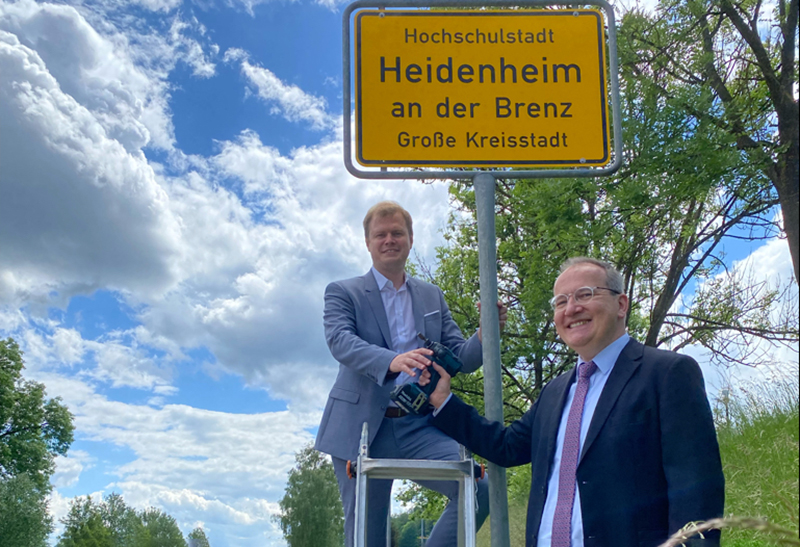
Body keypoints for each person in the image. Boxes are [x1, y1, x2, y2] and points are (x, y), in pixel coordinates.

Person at [428, 257, 725, 547]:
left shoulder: (667, 374)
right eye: (561, 301)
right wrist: (444, 401)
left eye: (585, 294)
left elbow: (696, 493)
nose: (572, 308)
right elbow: (506, 447)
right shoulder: (554, 392)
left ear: (621, 305)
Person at [315, 201, 507, 547]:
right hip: (361, 427)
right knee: (366, 535)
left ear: (411, 238)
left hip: (420, 424)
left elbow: (460, 358)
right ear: (368, 242)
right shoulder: (343, 292)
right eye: (381, 234)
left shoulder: (431, 295)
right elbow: (340, 341)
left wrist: (485, 333)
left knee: (476, 489)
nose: (389, 240)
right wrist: (394, 360)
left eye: (397, 233)